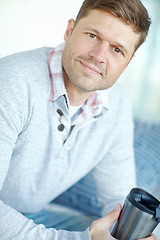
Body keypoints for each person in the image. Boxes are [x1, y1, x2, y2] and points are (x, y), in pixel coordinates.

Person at [0, 0, 157, 239]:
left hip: (34, 214)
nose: (98, 56)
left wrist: (129, 235)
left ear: (128, 62)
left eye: (117, 50)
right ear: (69, 31)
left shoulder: (118, 105)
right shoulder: (11, 82)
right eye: (93, 36)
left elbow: (117, 202)